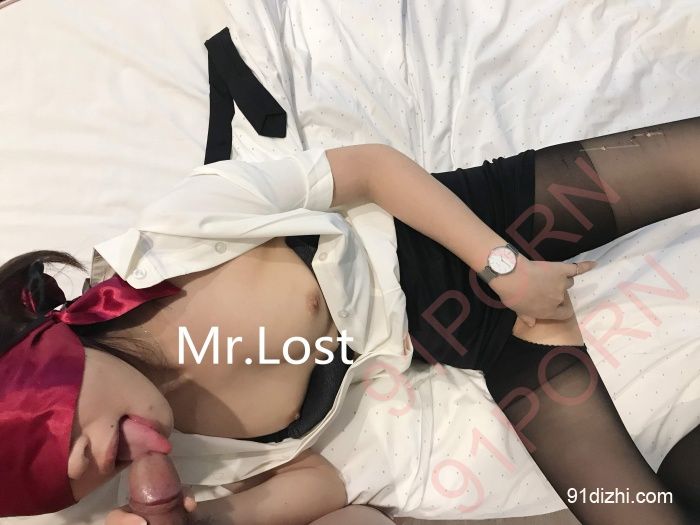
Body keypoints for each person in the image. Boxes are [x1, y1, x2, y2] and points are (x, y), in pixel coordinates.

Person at [1, 117, 699, 524]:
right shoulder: (192, 460)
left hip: (475, 223)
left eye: (66, 434)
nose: (91, 462)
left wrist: (504, 266)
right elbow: (331, 479)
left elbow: (370, 169)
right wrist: (204, 519)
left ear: (55, 350)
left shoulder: (176, 237)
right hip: (479, 339)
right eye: (73, 481)